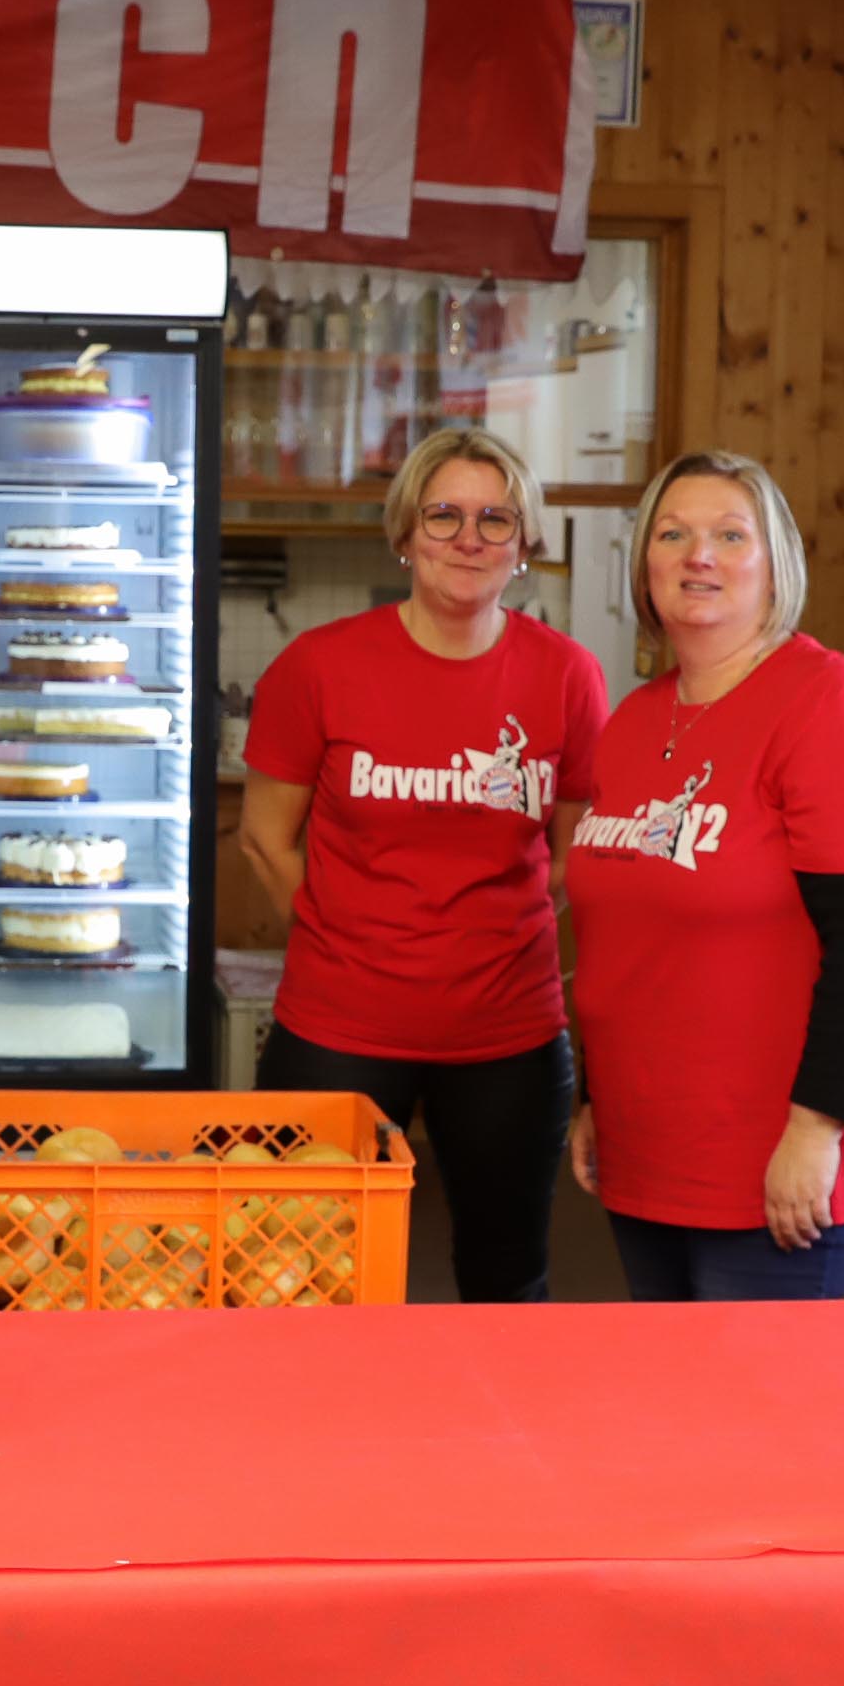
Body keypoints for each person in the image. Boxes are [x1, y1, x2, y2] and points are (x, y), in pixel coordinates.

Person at [239, 427, 607, 1301]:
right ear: (406, 532)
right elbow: (263, 839)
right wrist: (347, 938)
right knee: (302, 1277)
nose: (468, 538)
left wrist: (484, 940)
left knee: (506, 1281)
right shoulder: (319, 667)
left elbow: (575, 855)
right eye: (444, 515)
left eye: (495, 519)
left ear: (523, 543)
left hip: (509, 1034)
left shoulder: (566, 675)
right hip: (337, 1029)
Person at [562, 451, 844, 1301]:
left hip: (772, 1162)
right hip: (645, 1146)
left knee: (756, 1390)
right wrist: (594, 1097)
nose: (699, 555)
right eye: (673, 534)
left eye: (731, 535)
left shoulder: (835, 709)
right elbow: (620, 936)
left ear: (776, 565)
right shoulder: (634, 721)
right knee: (666, 1385)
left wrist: (816, 1131)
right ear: (644, 565)